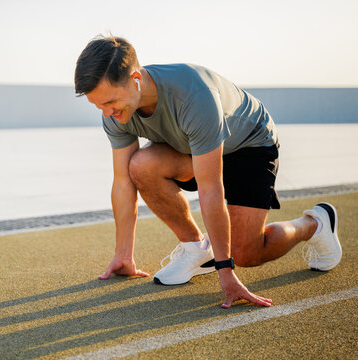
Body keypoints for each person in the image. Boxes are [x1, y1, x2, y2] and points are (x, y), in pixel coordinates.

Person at [74, 35, 342, 308]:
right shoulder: (116, 111)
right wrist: (124, 255)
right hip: (192, 146)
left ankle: (316, 224)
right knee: (140, 166)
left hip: (249, 144)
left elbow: (210, 188)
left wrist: (226, 272)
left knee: (245, 253)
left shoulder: (193, 95)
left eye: (110, 102)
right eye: (99, 106)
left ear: (135, 80)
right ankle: (197, 249)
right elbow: (122, 183)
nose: (107, 114)